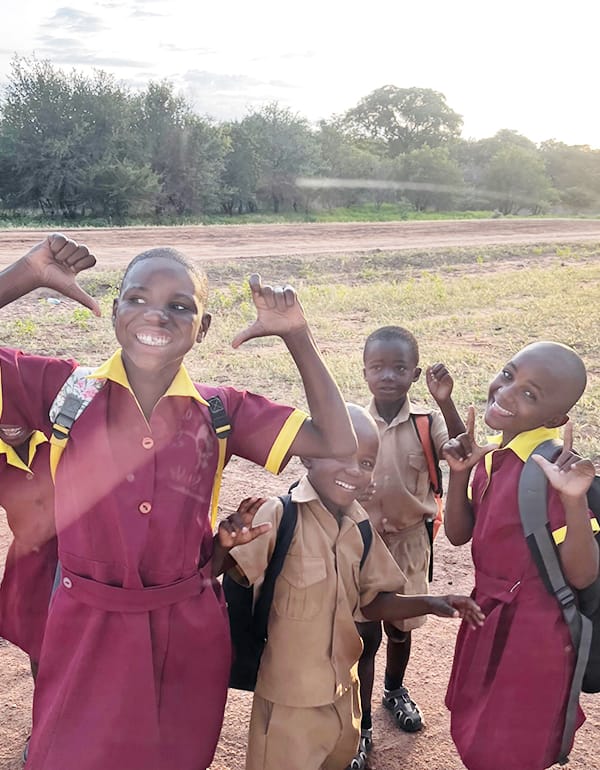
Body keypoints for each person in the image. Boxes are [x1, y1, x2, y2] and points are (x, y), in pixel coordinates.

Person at [0, 232, 358, 770]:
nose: (157, 315)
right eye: (138, 299)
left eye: (180, 306)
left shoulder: (222, 411)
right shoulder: (63, 390)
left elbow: (337, 442)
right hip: (85, 627)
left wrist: (297, 335)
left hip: (186, 631)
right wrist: (23, 276)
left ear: (203, 327)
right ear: (115, 308)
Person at [218, 403, 484, 770]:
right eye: (340, 455)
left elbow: (372, 601)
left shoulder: (359, 527)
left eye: (366, 463)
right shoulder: (279, 516)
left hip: (346, 695)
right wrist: (222, 548)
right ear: (307, 458)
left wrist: (433, 602)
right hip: (288, 704)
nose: (354, 471)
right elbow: (227, 579)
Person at [442, 341, 599, 770]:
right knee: (477, 725)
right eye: (509, 375)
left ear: (556, 419)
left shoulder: (553, 471)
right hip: (488, 613)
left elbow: (583, 575)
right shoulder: (494, 455)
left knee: (510, 745)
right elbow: (459, 535)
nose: (507, 393)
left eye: (530, 394)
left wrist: (571, 502)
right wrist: (459, 475)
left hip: (533, 632)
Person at [353, 325, 464, 761]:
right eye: (378, 367)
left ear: (415, 374)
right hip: (361, 545)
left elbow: (459, 449)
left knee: (401, 630)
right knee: (364, 636)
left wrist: (446, 401)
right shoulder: (354, 421)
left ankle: (394, 691)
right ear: (364, 373)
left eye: (399, 368)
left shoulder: (427, 421)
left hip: (410, 543)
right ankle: (360, 723)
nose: (388, 376)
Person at [0, 422, 57, 760]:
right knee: (40, 649)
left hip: (80, 559)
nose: (9, 417)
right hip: (32, 565)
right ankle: (45, 729)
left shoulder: (61, 438)